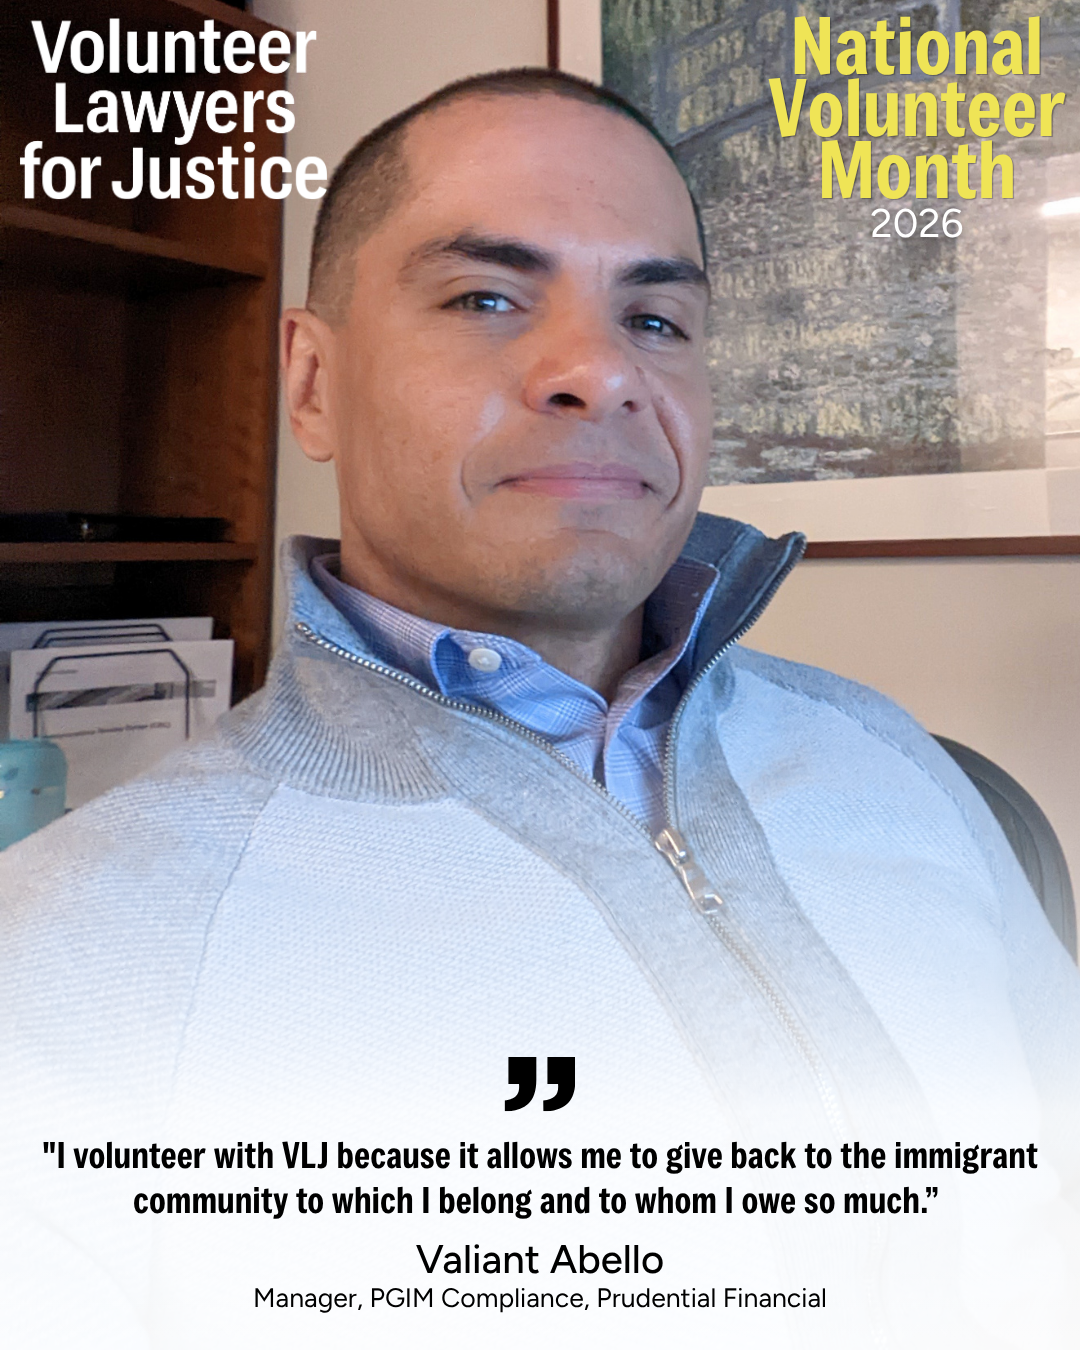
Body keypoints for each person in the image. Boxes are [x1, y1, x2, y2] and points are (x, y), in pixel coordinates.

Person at [1, 69, 1078, 1349]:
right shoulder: (70, 956)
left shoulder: (902, 764)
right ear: (310, 383)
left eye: (659, 319)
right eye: (486, 297)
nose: (599, 370)